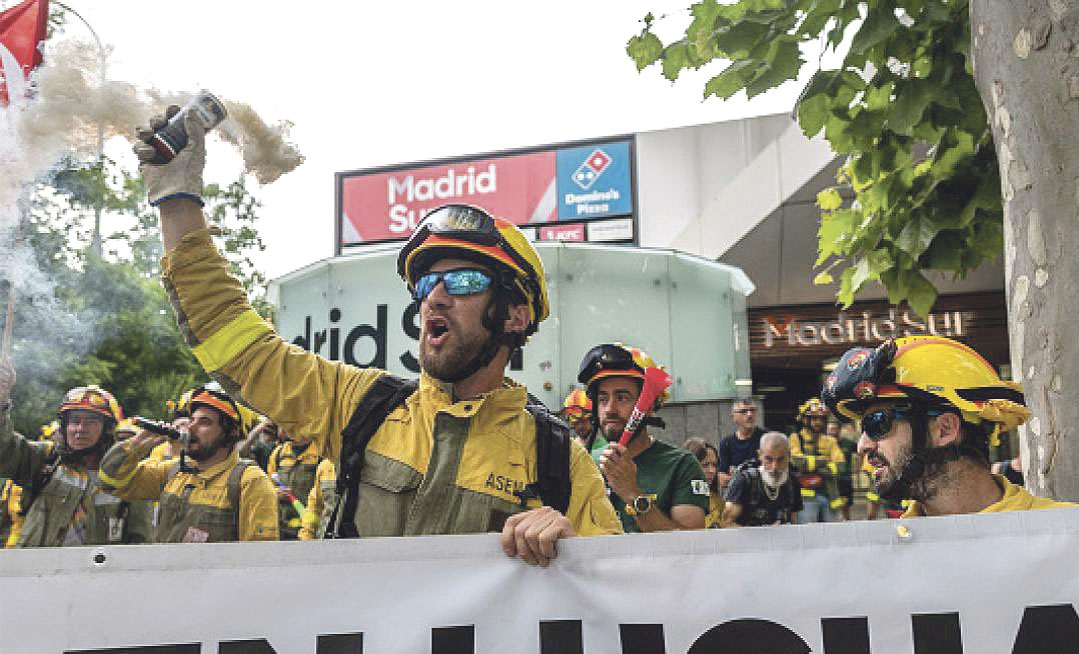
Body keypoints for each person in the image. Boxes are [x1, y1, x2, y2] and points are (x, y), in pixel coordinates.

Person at [133, 110, 618, 565]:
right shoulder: (361, 404)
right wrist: (177, 201)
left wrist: (574, 552)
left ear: (515, 316)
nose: (436, 297)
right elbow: (238, 345)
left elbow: (627, 598)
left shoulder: (559, 459)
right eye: (427, 284)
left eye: (465, 282)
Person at [821, 336, 1078, 516]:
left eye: (876, 424)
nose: (862, 445)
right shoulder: (882, 558)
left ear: (945, 429)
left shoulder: (1076, 537)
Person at [99, 382, 279, 542]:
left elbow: (259, 561)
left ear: (231, 432)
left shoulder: (250, 482)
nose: (191, 427)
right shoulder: (174, 471)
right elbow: (111, 483)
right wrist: (135, 446)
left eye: (205, 422)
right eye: (192, 420)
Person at [0, 370, 153, 547]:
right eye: (74, 421)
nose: (80, 429)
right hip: (37, 572)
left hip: (95, 574)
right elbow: (4, 448)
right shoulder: (44, 460)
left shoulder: (130, 477)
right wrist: (1, 400)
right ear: (64, 427)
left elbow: (142, 544)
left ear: (108, 429)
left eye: (90, 421)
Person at [581, 343, 708, 532]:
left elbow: (691, 548)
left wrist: (633, 493)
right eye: (603, 399)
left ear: (648, 406)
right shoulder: (583, 463)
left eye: (622, 397)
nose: (610, 409)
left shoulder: (681, 465)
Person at [723, 431, 804, 527]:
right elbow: (726, 522)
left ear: (789, 456)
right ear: (759, 455)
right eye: (769, 459)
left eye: (780, 459)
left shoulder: (792, 482)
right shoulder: (745, 480)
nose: (774, 467)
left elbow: (793, 522)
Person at [788, 398, 846, 523]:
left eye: (821, 419)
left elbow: (840, 466)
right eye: (814, 419)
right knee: (809, 535)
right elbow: (798, 463)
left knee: (831, 535)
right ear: (805, 419)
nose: (818, 422)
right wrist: (824, 461)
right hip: (806, 498)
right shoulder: (795, 439)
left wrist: (814, 467)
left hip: (830, 497)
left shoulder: (830, 441)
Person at [266, 431, 320, 539]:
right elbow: (267, 487)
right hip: (282, 528)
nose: (283, 429)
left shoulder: (320, 453)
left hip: (310, 527)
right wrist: (276, 492)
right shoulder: (278, 453)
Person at [716, 398, 764, 493]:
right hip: (738, 497)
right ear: (733, 417)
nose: (749, 414)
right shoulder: (726, 443)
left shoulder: (767, 439)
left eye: (752, 410)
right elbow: (723, 480)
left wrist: (736, 475)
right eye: (743, 411)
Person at [683, 437, 724, 529]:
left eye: (715, 465)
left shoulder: (717, 499)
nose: (712, 471)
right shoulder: (677, 498)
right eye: (705, 465)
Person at [297, 457, 337, 540]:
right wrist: (306, 536)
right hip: (327, 541)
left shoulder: (370, 462)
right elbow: (314, 507)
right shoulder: (326, 466)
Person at [827, 418, 858, 521]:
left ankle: (847, 523)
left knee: (846, 507)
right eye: (830, 429)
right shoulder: (823, 444)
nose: (832, 431)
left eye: (834, 429)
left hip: (845, 479)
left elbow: (862, 451)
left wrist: (859, 466)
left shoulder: (848, 443)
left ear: (839, 429)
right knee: (830, 507)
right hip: (829, 480)